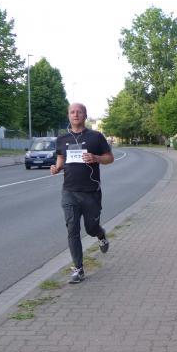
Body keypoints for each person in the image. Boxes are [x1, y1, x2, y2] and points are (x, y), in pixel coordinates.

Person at [50, 103, 114, 284]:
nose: (75, 114)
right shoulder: (62, 139)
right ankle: (78, 269)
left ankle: (100, 235)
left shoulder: (96, 136)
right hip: (69, 191)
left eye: (79, 112)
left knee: (91, 228)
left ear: (85, 115)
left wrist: (96, 158)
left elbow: (110, 158)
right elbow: (61, 157)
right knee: (72, 229)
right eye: (72, 112)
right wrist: (57, 168)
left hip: (91, 192)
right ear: (68, 116)